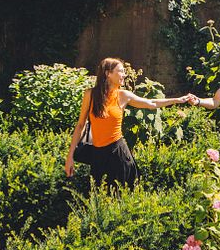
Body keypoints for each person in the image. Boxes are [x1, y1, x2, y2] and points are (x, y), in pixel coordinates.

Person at [65, 57, 190, 186]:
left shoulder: (123, 95)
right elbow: (80, 125)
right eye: (120, 71)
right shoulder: (90, 95)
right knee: (98, 198)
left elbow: (151, 103)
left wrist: (177, 100)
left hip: (118, 154)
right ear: (108, 73)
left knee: (120, 196)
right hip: (98, 155)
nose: (124, 75)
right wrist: (70, 157)